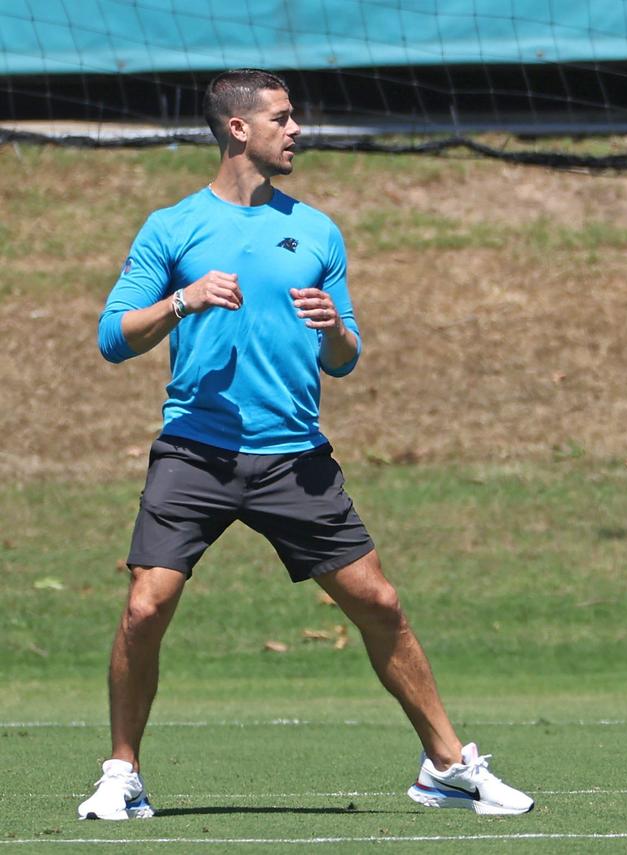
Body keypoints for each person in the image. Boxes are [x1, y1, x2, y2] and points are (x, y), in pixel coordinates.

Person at [79, 69, 533, 820]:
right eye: (282, 119)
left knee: (380, 603)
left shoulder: (317, 230)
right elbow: (110, 338)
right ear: (237, 129)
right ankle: (121, 773)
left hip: (294, 457)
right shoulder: (172, 226)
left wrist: (332, 327)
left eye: (295, 118)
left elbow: (346, 357)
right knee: (143, 607)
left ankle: (447, 766)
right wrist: (181, 301)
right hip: (195, 452)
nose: (297, 130)